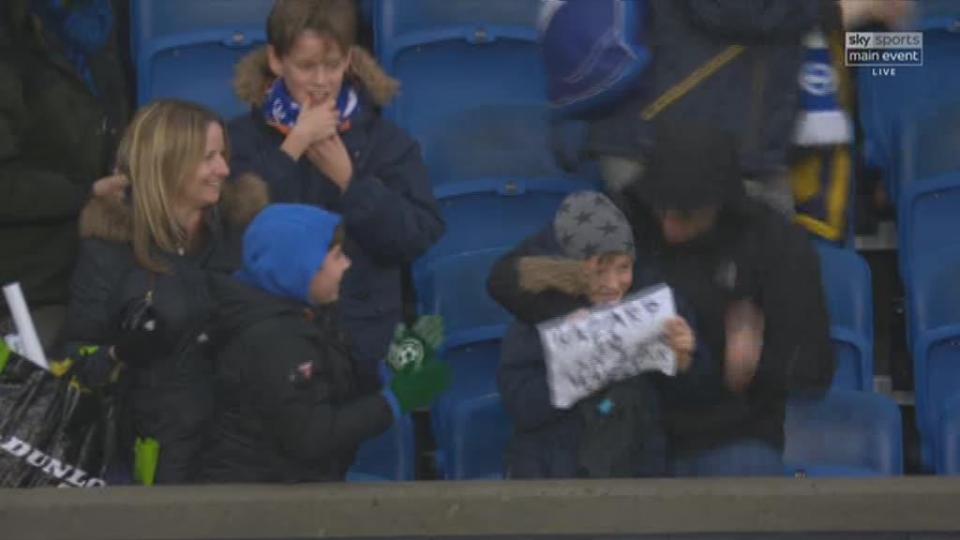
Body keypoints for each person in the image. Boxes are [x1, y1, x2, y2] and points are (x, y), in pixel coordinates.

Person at [490, 123, 835, 477]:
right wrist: (582, 315)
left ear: (719, 204)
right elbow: (506, 279)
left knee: (744, 475)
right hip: (615, 427)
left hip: (723, 434)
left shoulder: (772, 242)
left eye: (684, 215)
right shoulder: (621, 215)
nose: (669, 225)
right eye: (662, 209)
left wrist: (754, 365)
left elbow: (812, 369)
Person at [228, 0, 444, 390]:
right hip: (268, 343)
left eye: (333, 65)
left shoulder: (387, 142)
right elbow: (231, 234)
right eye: (307, 66)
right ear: (276, 61)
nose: (322, 81)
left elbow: (417, 236)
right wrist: (291, 150)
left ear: (350, 60)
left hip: (360, 342)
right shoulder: (240, 141)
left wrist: (351, 182)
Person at [61, 100, 268, 484]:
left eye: (223, 155)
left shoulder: (244, 234)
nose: (224, 169)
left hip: (239, 453)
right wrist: (119, 352)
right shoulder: (109, 249)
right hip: (149, 458)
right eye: (209, 157)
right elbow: (74, 360)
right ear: (167, 163)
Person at [201, 204, 450, 483]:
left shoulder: (302, 315)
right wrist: (394, 400)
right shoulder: (272, 339)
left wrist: (394, 368)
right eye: (336, 256)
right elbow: (311, 437)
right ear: (300, 268)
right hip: (261, 506)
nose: (347, 264)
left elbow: (330, 393)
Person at [497, 191, 706, 479]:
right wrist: (579, 372)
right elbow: (520, 404)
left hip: (637, 476)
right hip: (553, 476)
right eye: (598, 270)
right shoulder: (538, 315)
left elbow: (692, 398)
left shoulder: (655, 311)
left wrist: (685, 360)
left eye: (623, 268)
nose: (612, 284)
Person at [0, 0, 130, 349]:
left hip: (94, 264)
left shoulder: (92, 27)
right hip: (29, 290)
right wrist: (85, 193)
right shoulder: (13, 41)